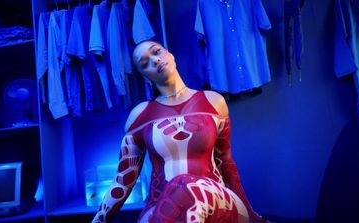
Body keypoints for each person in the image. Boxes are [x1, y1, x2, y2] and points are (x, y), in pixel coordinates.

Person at [92, 40, 268, 223]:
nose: (155, 60)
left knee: (183, 186)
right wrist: (98, 220)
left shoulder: (214, 102)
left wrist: (250, 213)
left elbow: (226, 162)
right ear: (146, 77)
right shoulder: (139, 115)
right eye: (145, 63)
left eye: (157, 52)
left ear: (170, 55)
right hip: (160, 205)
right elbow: (123, 180)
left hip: (217, 202)